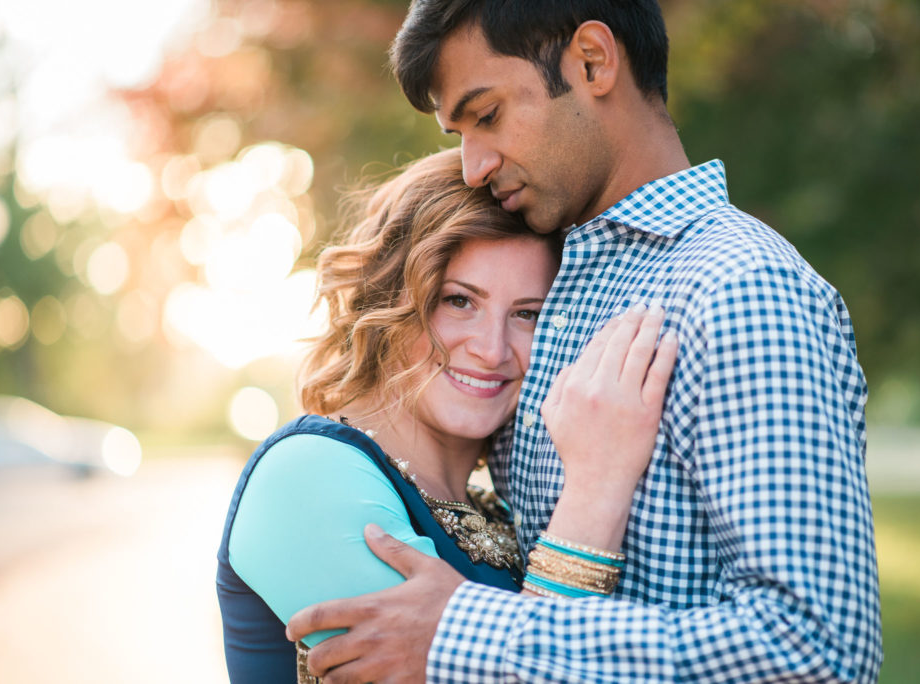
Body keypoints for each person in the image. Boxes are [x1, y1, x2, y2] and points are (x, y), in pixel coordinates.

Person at [286, 1, 883, 683]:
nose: (473, 166)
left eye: (487, 115)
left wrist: (461, 634)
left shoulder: (739, 291)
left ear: (593, 61)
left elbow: (814, 651)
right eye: (458, 133)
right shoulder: (554, 278)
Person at [215, 147, 677, 683]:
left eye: (527, 314)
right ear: (392, 298)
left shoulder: (498, 503)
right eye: (459, 301)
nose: (492, 349)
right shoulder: (308, 474)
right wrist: (598, 488)